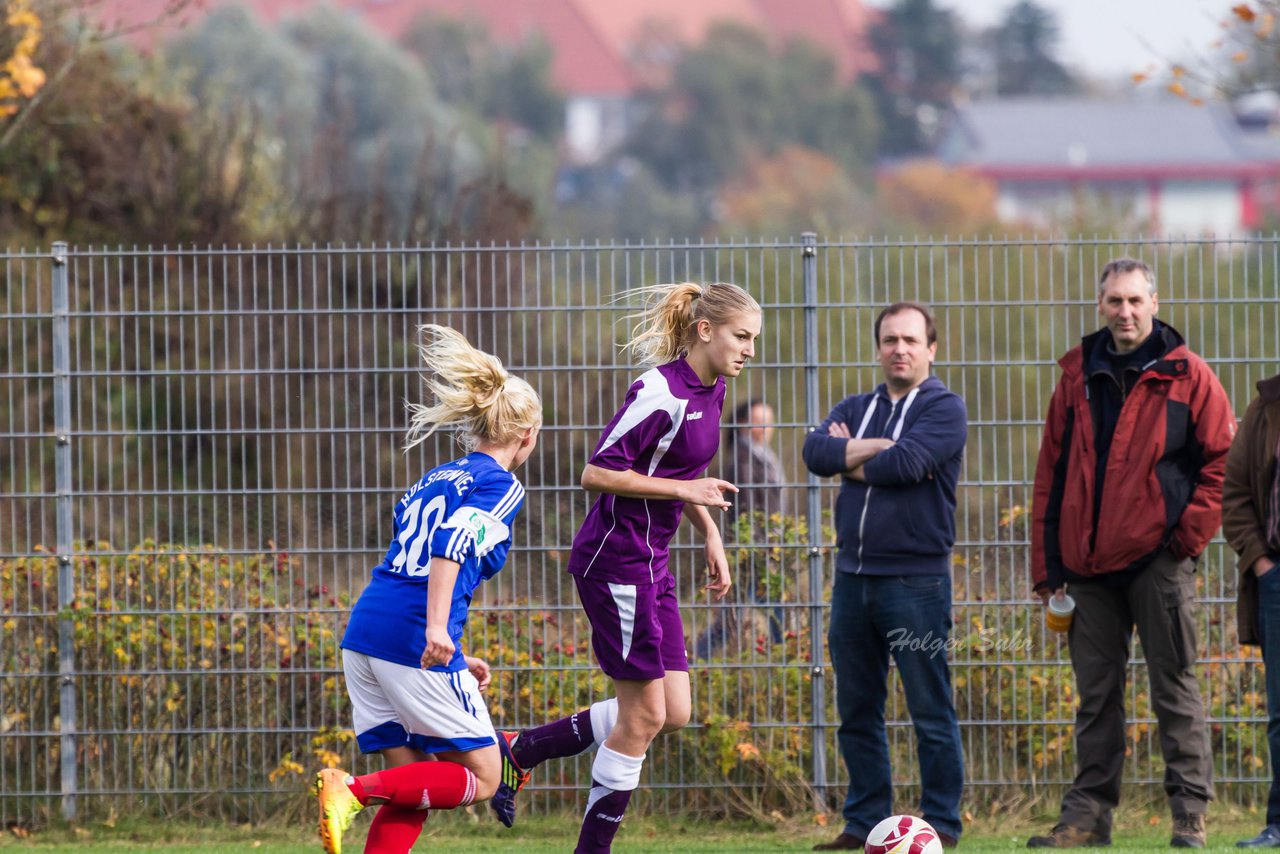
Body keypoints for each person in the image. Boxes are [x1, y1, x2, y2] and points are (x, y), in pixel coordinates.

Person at [489, 281, 763, 854]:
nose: (749, 350)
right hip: (615, 562)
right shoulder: (659, 392)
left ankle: (523, 749)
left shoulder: (711, 390)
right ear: (706, 331)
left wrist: (709, 532)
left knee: (675, 711)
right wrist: (688, 490)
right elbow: (596, 472)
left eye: (754, 339)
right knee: (642, 718)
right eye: (741, 336)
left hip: (652, 563)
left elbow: (677, 474)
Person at [1027, 258, 1235, 849]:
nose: (1125, 312)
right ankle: (1087, 820)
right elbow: (1052, 472)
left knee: (1175, 689)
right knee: (1097, 698)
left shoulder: (1189, 377)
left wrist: (1183, 542)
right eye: (1115, 301)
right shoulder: (1076, 376)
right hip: (1086, 569)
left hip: (1158, 563)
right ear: (1100, 305)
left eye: (1135, 301)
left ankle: (1189, 816)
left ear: (1154, 302)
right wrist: (1049, 566)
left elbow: (1219, 464)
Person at [314, 324, 542, 854]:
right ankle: (348, 788)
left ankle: (356, 797)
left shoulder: (437, 476)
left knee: (412, 783)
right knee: (485, 777)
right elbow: (450, 546)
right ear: (527, 435)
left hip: (368, 630)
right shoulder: (501, 486)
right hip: (413, 636)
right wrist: (437, 629)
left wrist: (454, 649)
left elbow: (415, 556)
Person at [801, 301, 967, 852]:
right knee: (857, 710)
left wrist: (847, 454)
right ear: (878, 347)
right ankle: (862, 825)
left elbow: (906, 465)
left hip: (915, 584)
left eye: (911, 340)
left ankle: (941, 824)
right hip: (852, 581)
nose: (900, 348)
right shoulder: (857, 404)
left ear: (930, 349)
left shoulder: (944, 409)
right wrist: (871, 448)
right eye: (890, 339)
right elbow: (813, 452)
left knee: (929, 708)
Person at [1222, 372, 1280, 848]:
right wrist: (1262, 565)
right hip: (1277, 578)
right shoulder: (1266, 408)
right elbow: (1235, 493)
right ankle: (1279, 821)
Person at [693, 399, 788, 658]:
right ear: (744, 425)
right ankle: (785, 659)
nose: (767, 427)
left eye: (769, 420)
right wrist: (763, 546)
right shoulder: (744, 460)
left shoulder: (759, 455)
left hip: (759, 548)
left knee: (736, 616)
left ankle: (696, 659)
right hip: (754, 549)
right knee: (769, 613)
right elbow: (745, 510)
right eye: (759, 421)